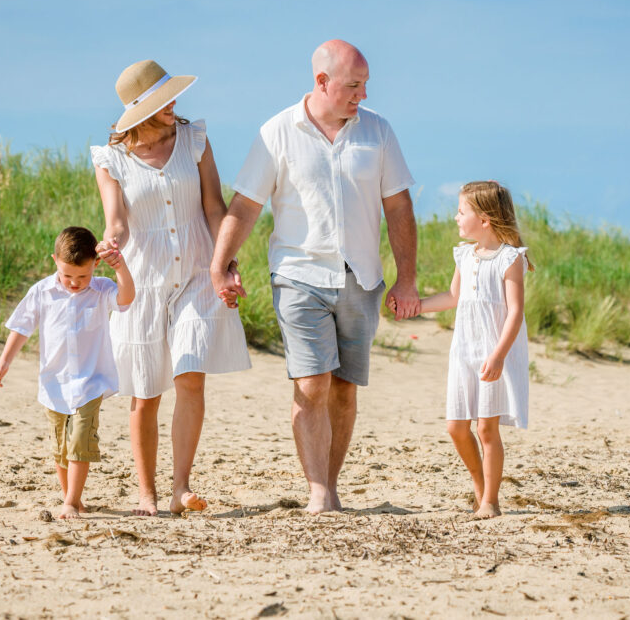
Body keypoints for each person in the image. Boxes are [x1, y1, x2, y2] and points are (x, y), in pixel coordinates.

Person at [210, 40, 420, 514]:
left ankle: (331, 481)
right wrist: (220, 263)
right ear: (322, 81)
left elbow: (399, 207)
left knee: (344, 387)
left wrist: (406, 279)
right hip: (298, 273)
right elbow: (245, 205)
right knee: (312, 382)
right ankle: (317, 491)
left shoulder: (378, 133)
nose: (362, 95)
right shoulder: (277, 132)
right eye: (353, 85)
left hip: (361, 278)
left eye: (365, 85)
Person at [90, 59, 251, 517]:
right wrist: (110, 245)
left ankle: (181, 486)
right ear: (139, 110)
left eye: (172, 95)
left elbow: (214, 207)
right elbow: (117, 223)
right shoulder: (112, 158)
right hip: (143, 280)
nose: (174, 104)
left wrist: (228, 262)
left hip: (199, 272)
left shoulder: (194, 140)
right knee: (144, 393)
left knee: (190, 376)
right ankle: (147, 493)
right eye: (162, 101)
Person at [0, 226, 135, 519]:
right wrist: (5, 360)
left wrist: (120, 268)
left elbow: (126, 298)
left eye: (82, 276)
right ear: (54, 259)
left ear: (95, 264)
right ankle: (72, 498)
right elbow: (22, 327)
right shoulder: (42, 291)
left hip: (91, 383)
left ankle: (71, 500)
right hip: (54, 383)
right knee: (61, 447)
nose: (74, 283)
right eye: (68, 275)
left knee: (80, 441)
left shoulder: (103, 288)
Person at [419, 181, 533, 519]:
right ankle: (479, 486)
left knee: (486, 429)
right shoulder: (464, 254)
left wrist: (498, 355)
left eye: (461, 211)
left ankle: (491, 502)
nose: (455, 217)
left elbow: (515, 311)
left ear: (484, 219)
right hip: (463, 352)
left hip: (493, 353)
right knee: (456, 428)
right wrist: (414, 306)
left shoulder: (510, 259)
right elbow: (453, 298)